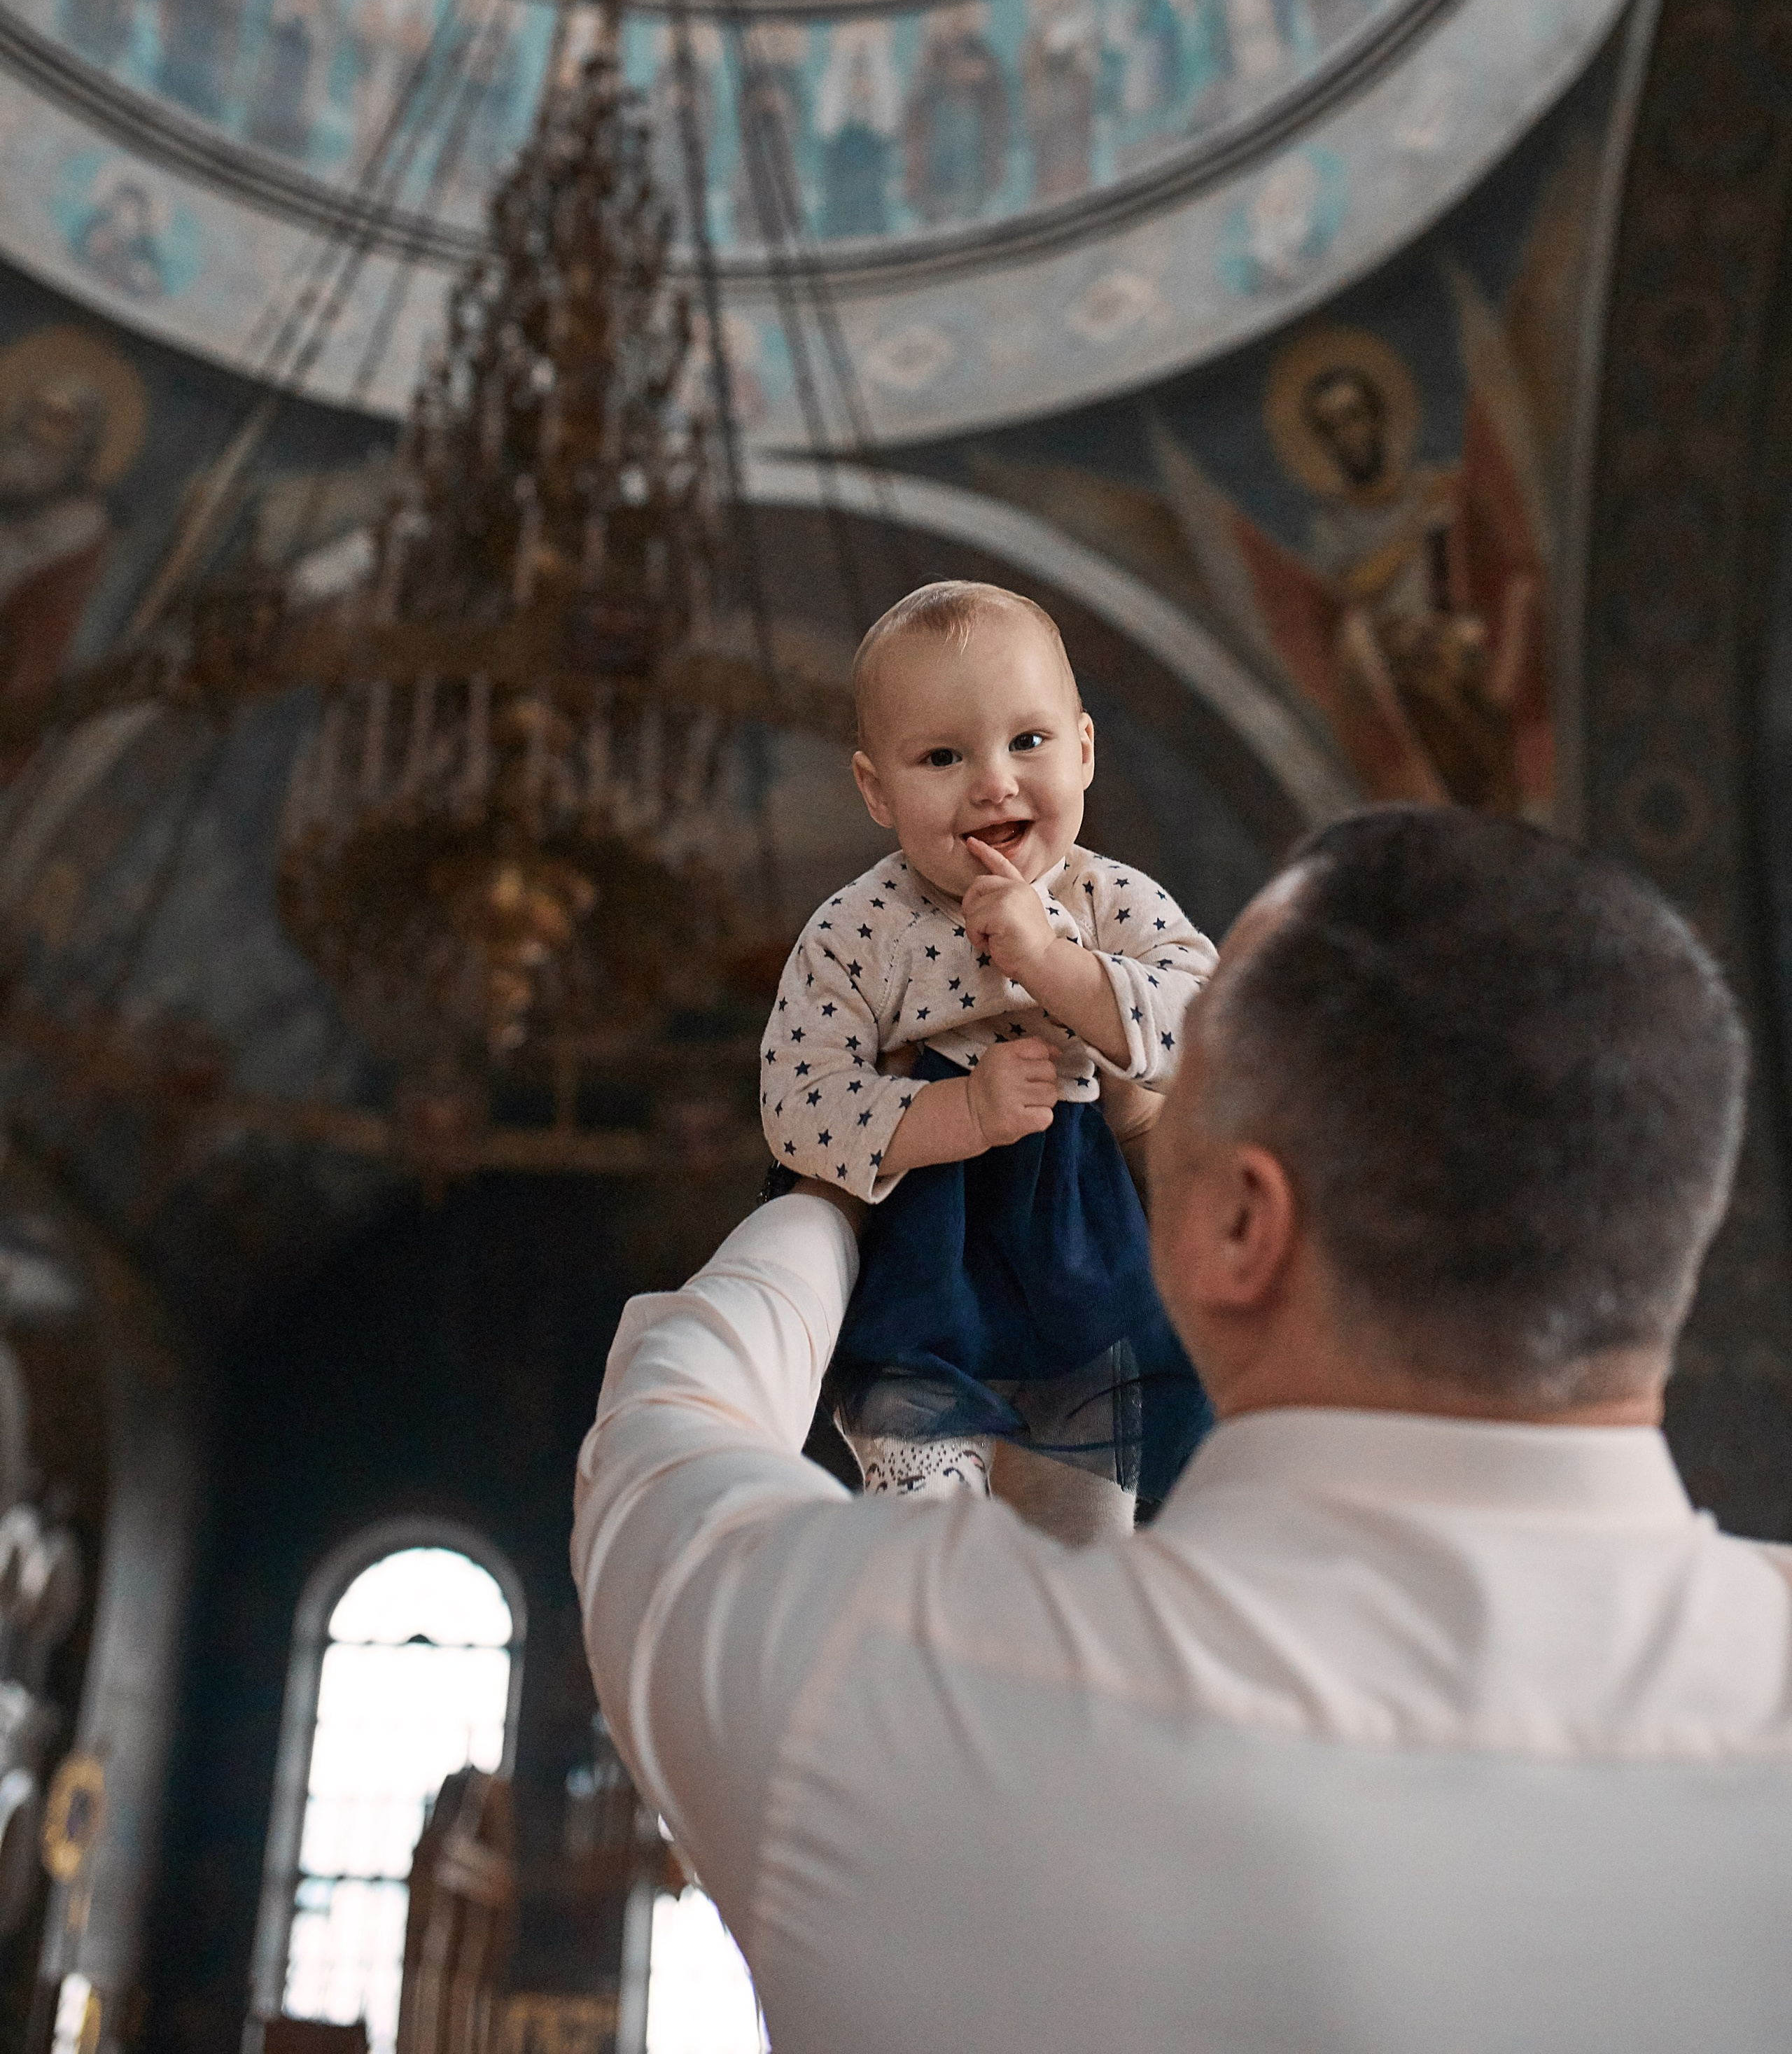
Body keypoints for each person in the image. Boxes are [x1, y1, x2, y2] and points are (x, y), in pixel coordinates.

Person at [573, 806, 1792, 2054]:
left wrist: (843, 1197)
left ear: (1240, 1233)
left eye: (1163, 1112)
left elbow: (654, 1449)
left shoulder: (897, 1681)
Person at [757, 580, 1215, 1537]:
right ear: (877, 790)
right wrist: (955, 1115)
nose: (994, 782)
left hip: (1086, 1272)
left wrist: (1057, 966)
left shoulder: (1106, 902)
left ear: (1085, 750)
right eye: (940, 756)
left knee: (1081, 1549)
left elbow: (1209, 1030)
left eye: (1030, 743)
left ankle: (1061, 1676)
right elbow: (797, 1102)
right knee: (928, 1533)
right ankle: (920, 1660)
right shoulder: (859, 930)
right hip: (927, 1282)